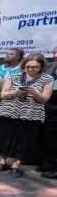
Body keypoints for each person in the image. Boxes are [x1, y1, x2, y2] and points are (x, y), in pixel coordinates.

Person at [0, 54, 54, 178]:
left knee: (24, 140)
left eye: (34, 67)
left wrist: (35, 92)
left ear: (41, 66)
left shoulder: (47, 79)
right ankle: (2, 161)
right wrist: (15, 92)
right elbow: (3, 95)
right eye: (27, 66)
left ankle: (16, 165)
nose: (30, 69)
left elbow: (45, 99)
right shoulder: (14, 77)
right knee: (5, 137)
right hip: (9, 112)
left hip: (30, 114)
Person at [41, 47, 57, 178]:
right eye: (53, 52)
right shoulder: (50, 66)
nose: (55, 55)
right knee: (49, 136)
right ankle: (47, 163)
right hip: (49, 103)